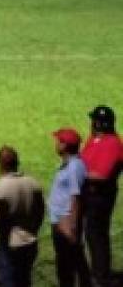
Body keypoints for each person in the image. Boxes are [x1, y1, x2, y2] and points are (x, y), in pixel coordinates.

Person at [0, 145, 45, 287]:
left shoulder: (0, 186)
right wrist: (35, 228)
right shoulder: (33, 183)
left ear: (0, 164)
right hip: (30, 241)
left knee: (7, 280)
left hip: (9, 243)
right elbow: (41, 210)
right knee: (25, 279)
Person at [81, 105, 123, 287]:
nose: (91, 124)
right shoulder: (95, 139)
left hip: (99, 198)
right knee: (91, 234)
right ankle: (96, 272)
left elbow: (103, 175)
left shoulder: (113, 144)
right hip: (89, 195)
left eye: (93, 121)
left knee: (96, 235)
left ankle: (101, 277)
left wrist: (78, 174)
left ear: (99, 123)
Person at [49, 127, 91, 287]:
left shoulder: (74, 167)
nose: (55, 144)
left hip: (65, 223)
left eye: (58, 141)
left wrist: (72, 227)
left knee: (68, 266)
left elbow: (76, 197)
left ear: (64, 146)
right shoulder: (70, 164)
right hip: (61, 222)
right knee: (68, 263)